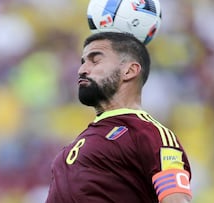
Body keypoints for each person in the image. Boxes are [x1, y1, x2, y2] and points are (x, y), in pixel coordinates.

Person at [45, 32, 192, 203]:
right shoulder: (74, 147)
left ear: (129, 71)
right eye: (83, 62)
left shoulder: (149, 134)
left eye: (95, 60)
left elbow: (176, 200)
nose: (82, 69)